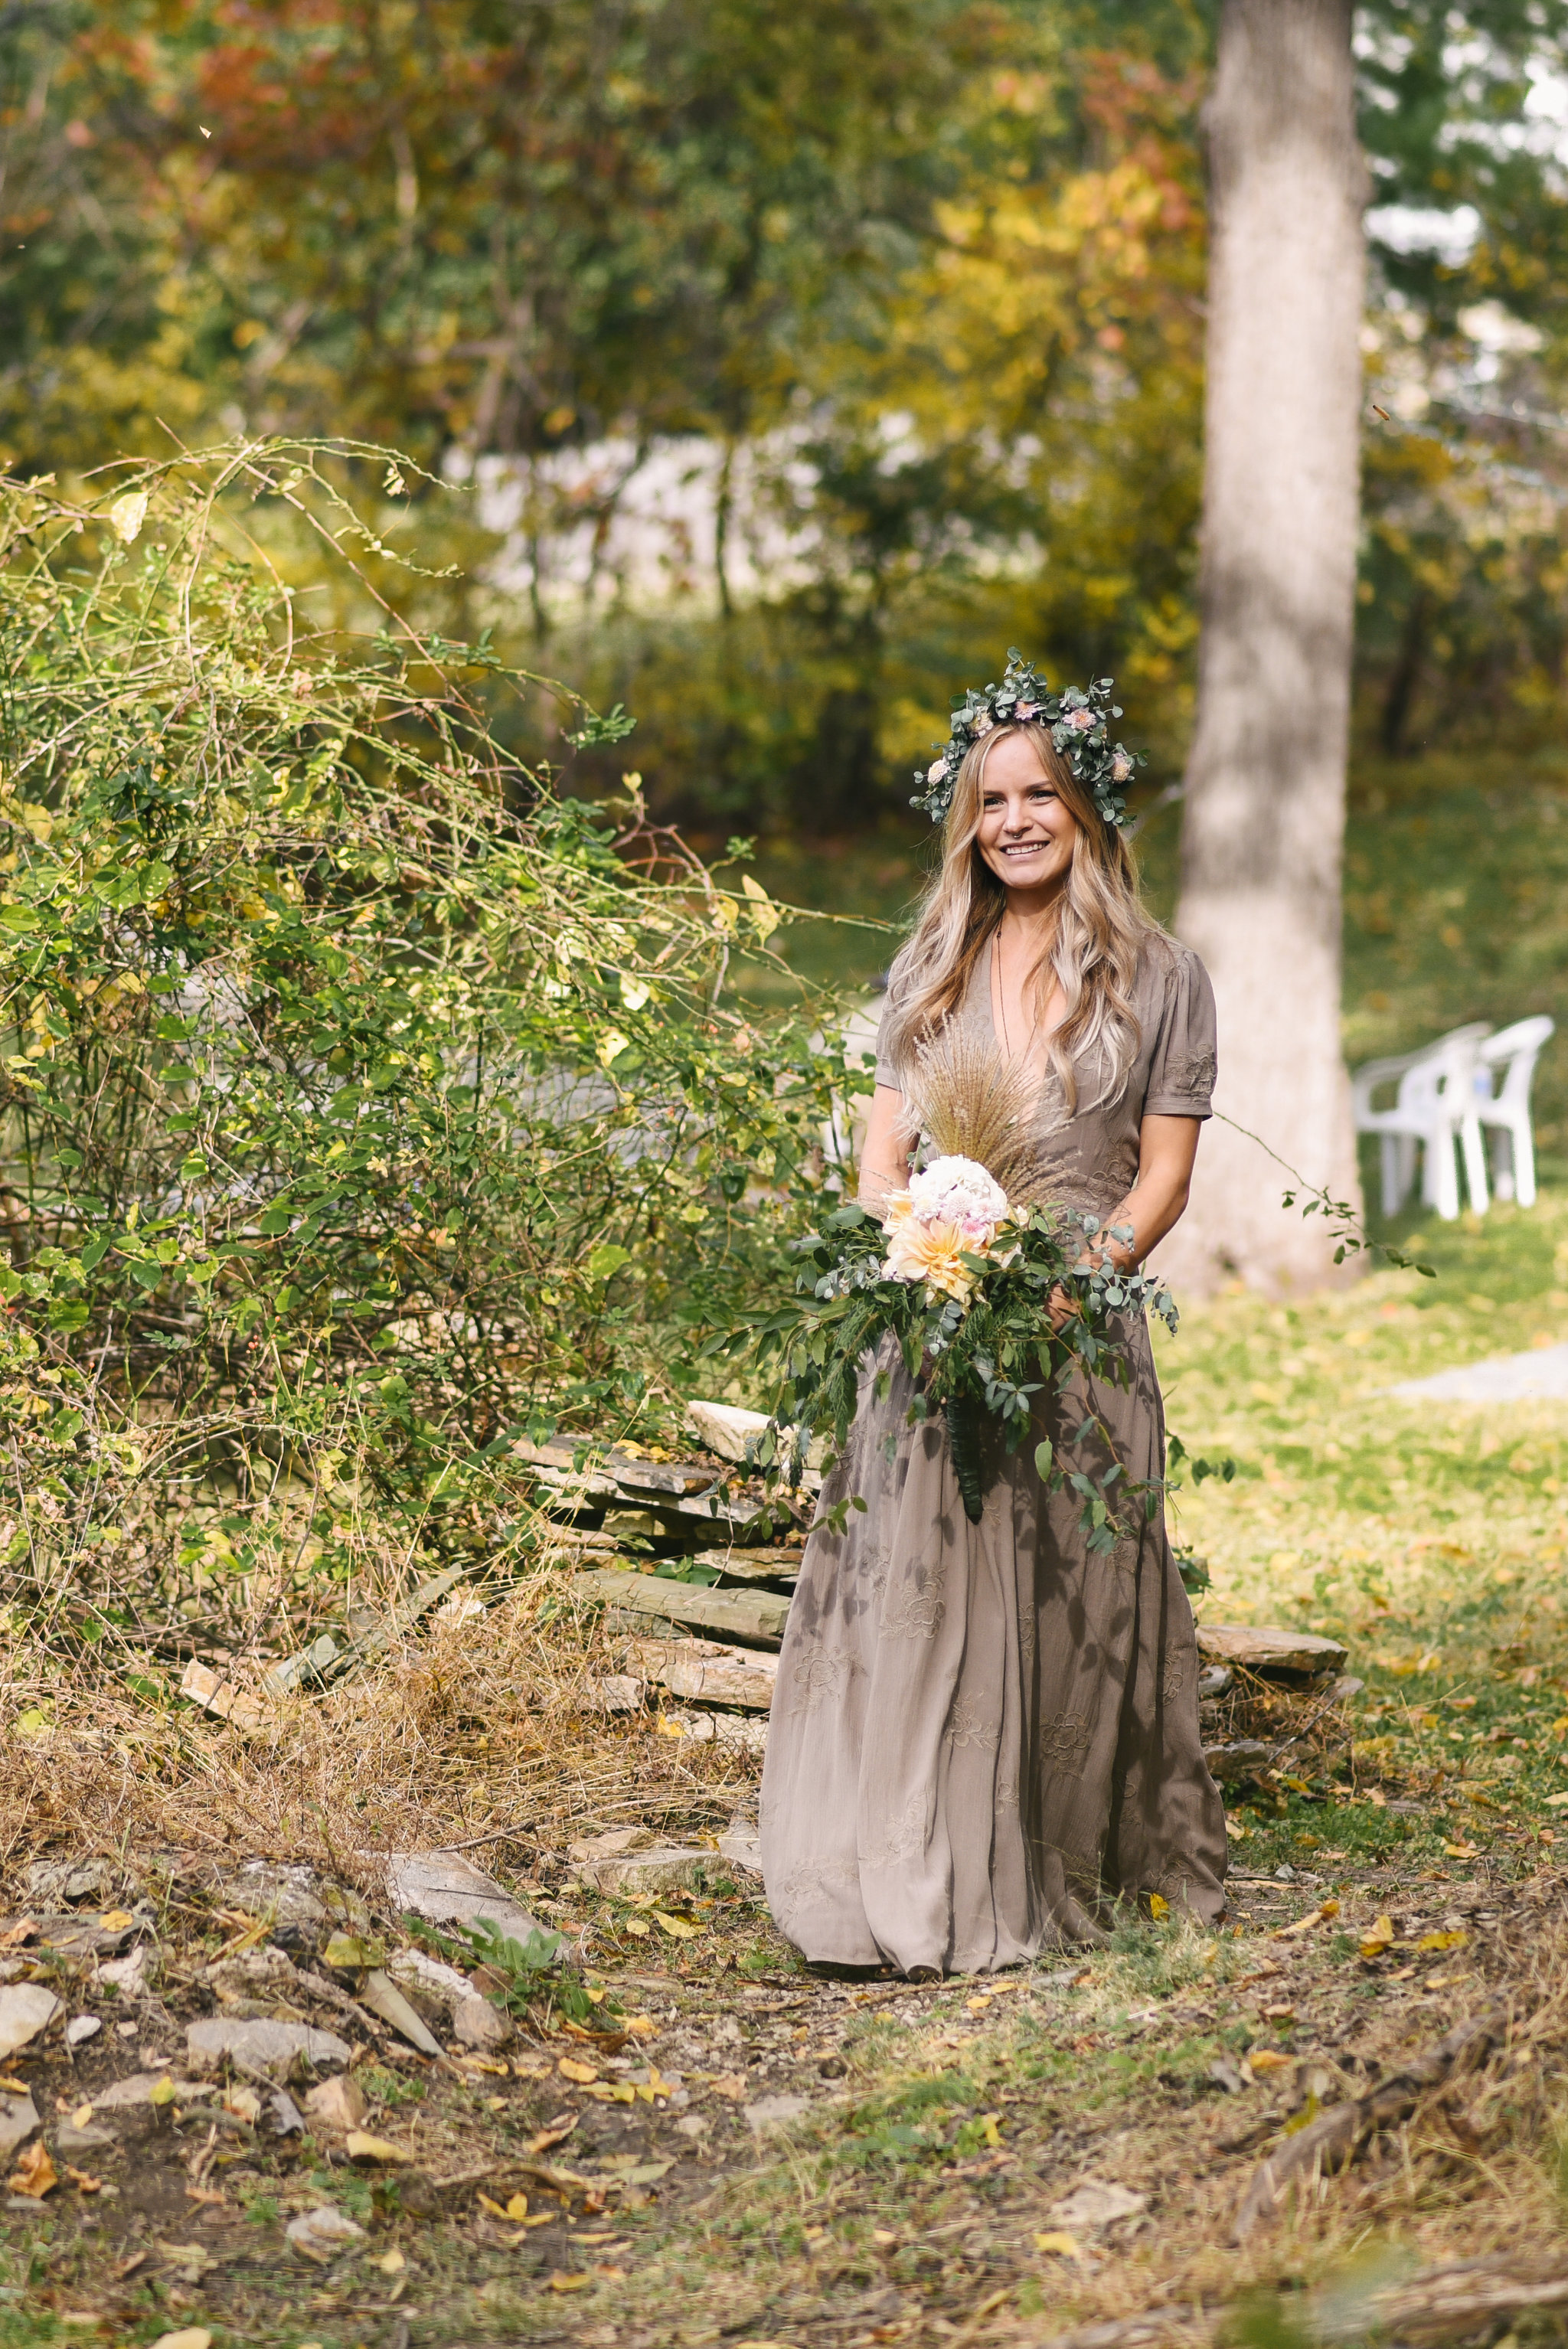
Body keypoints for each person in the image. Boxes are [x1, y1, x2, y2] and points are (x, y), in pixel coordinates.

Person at [759, 656, 1227, 1974]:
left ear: (1086, 813)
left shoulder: (1161, 976)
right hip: (938, 1322)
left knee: (1072, 1599)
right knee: (930, 1597)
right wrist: (922, 1257)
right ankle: (913, 1871)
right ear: (966, 821)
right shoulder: (932, 967)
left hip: (1076, 1327)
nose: (1015, 819)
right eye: (991, 800)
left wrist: (1073, 1287)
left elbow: (1167, 1176)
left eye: (1042, 796)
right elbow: (879, 1163)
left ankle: (1051, 1856)